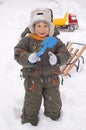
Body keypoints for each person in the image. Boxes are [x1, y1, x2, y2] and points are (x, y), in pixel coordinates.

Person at [14, 8, 70, 126]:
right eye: (38, 26)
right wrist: (28, 58)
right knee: (31, 103)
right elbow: (18, 53)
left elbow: (65, 53)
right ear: (33, 27)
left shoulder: (54, 40)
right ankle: (29, 123)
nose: (42, 29)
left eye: (45, 26)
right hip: (33, 80)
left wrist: (58, 59)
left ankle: (54, 121)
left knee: (53, 102)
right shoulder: (27, 40)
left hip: (52, 79)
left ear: (50, 27)